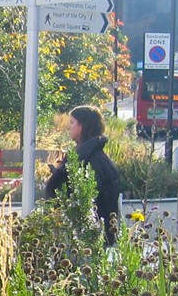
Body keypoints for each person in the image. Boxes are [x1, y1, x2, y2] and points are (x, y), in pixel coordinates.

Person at [45, 106, 122, 247]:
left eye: (72, 122)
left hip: (87, 236)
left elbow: (87, 197)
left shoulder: (90, 159)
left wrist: (59, 180)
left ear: (82, 126)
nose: (69, 127)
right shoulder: (93, 155)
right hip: (93, 233)